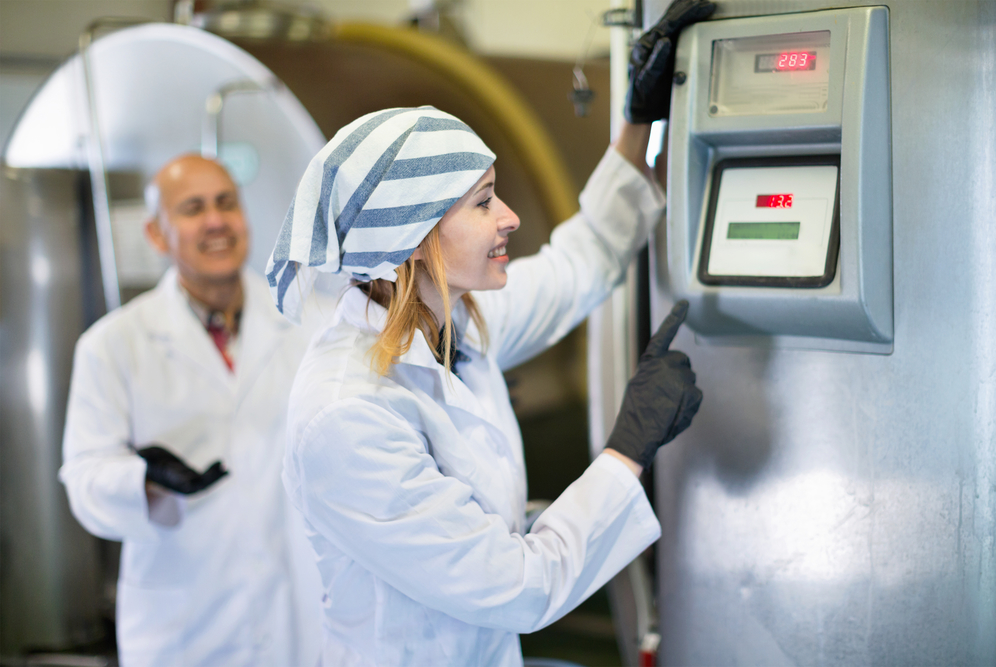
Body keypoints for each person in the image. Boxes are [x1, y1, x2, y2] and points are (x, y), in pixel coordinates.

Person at [267, 2, 714, 664]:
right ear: (411, 238)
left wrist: (635, 123)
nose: (508, 217)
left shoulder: (456, 324)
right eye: (482, 202)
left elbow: (579, 263)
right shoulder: (345, 415)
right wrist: (627, 449)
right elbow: (521, 586)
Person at [60, 155, 329, 667]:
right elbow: (84, 477)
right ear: (157, 235)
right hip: (184, 626)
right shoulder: (113, 344)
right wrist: (146, 479)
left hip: (299, 609)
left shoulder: (309, 322)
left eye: (226, 203)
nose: (215, 221)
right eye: (192, 208)